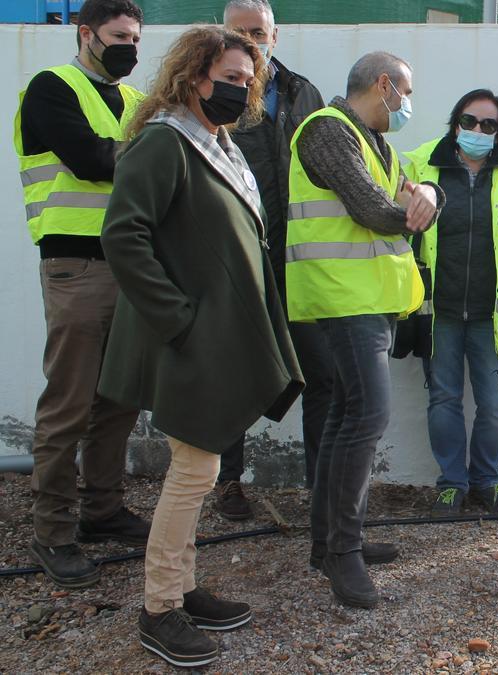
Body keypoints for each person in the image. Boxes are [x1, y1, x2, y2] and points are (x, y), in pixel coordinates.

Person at [98, 26, 303, 667]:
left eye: (248, 82)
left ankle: (184, 589)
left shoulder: (217, 143)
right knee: (194, 471)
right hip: (185, 337)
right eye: (231, 78)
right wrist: (180, 321)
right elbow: (124, 236)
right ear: (194, 77)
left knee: (201, 466)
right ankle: (159, 607)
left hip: (210, 333)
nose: (241, 91)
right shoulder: (165, 142)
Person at [288, 52, 439, 608]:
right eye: (407, 93)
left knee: (346, 416)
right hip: (339, 297)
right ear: (384, 86)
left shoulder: (377, 142)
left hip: (368, 300)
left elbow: (408, 193)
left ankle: (327, 543)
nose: (408, 106)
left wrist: (430, 193)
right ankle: (341, 554)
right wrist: (420, 200)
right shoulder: (327, 131)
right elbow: (374, 209)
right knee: (366, 415)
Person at [12, 0, 151, 589]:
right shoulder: (51, 88)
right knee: (69, 402)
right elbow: (91, 160)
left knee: (118, 399)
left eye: (136, 39)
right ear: (86, 33)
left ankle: (101, 509)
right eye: (119, 37)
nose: (129, 48)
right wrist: (158, 157)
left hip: (132, 265)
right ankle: (53, 533)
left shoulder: (139, 101)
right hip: (76, 266)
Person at [403, 89, 498, 515]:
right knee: (443, 400)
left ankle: (487, 482)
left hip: (494, 316)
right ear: (456, 123)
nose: (477, 130)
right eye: (470, 121)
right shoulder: (418, 165)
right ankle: (451, 484)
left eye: (489, 125)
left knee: (496, 404)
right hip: (439, 313)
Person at [212, 0, 331, 520]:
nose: (251, 40)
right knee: (234, 370)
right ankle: (227, 484)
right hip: (241, 254)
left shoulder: (305, 92)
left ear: (275, 38)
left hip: (303, 258)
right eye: (240, 31)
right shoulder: (212, 90)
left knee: (320, 373)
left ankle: (320, 487)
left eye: (259, 32)